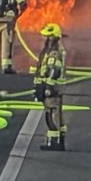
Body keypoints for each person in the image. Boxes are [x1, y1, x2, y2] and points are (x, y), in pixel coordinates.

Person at [34, 23, 67, 151]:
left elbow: (54, 71)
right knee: (56, 114)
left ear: (53, 37)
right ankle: (58, 140)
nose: (45, 39)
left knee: (51, 114)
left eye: (48, 37)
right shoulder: (54, 49)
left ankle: (55, 142)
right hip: (52, 87)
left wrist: (47, 87)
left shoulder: (54, 52)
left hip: (52, 88)